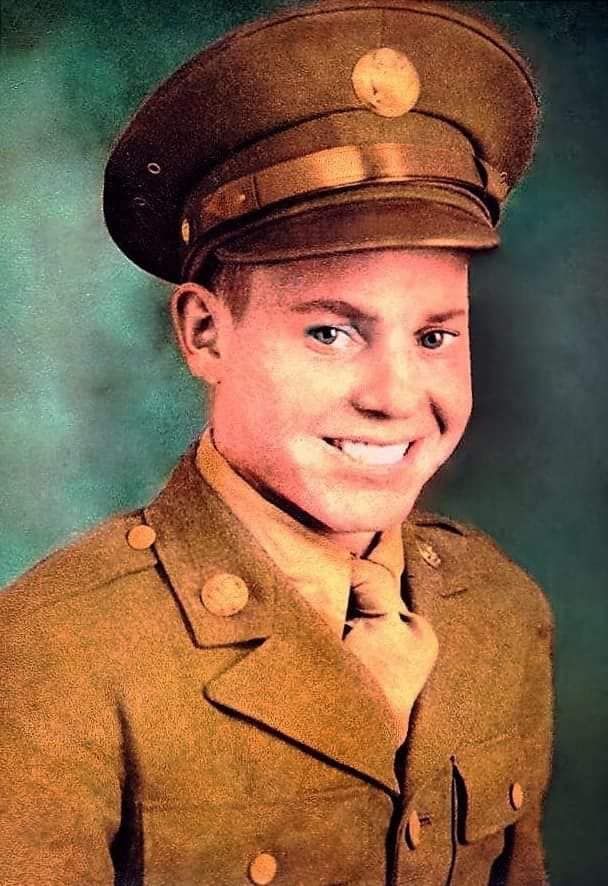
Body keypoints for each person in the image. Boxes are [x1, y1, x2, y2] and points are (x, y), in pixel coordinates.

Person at [0, 1, 554, 884]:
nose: (395, 397)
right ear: (204, 334)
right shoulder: (55, 653)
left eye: (434, 335)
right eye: (329, 332)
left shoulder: (498, 612)